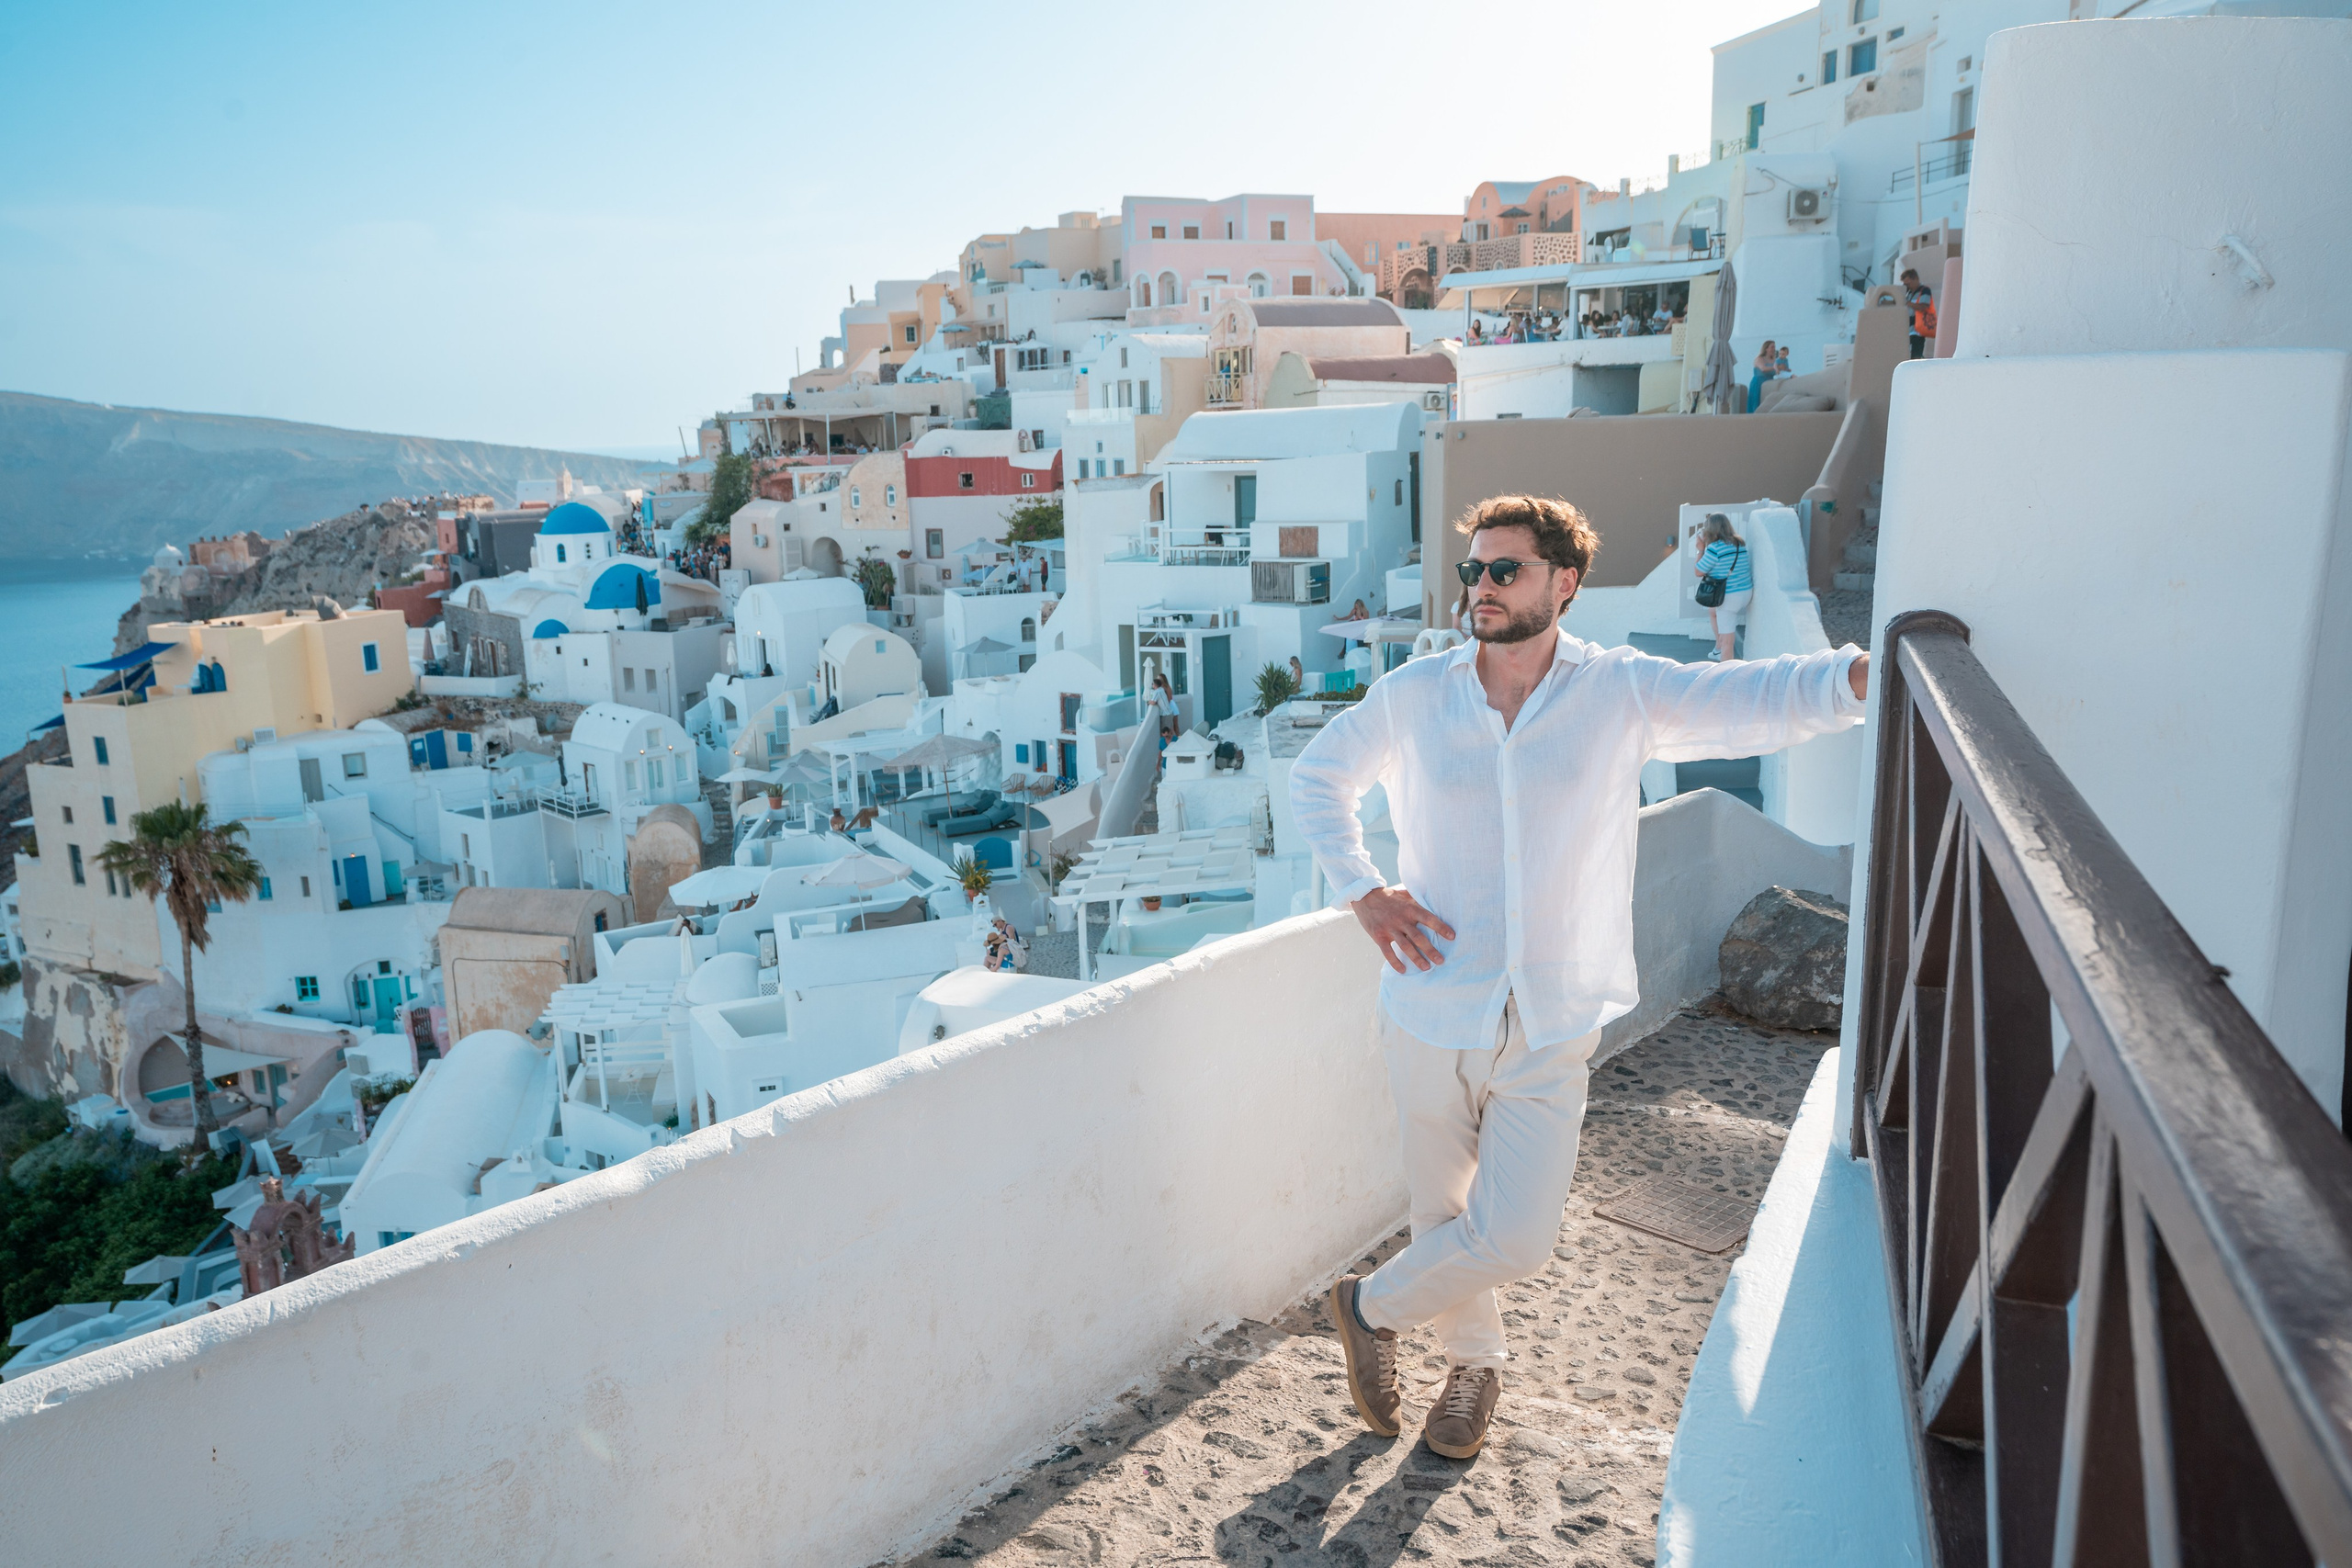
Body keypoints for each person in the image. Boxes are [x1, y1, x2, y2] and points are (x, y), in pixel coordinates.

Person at [1290, 494, 1869, 1461]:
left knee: (1513, 1235)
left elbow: (1748, 700)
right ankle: (1472, 1372)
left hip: (1553, 1014)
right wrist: (1364, 891)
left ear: (1563, 582)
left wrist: (1854, 676)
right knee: (1442, 1216)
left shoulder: (1618, 691)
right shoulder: (1417, 693)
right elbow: (1318, 779)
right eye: (1473, 570)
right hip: (1432, 1004)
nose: (1480, 587)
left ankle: (1368, 1306)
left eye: (1504, 570)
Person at [1692, 512, 1753, 661]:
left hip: (1729, 597)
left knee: (1728, 641)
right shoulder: (1739, 543)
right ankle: (1719, 647)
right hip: (1746, 593)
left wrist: (1701, 549)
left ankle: (1725, 673)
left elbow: (1698, 571)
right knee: (1712, 610)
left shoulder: (1715, 549)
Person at [1902, 268, 1938, 359]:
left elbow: (1923, 307)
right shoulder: (1908, 293)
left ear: (1915, 279)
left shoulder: (1924, 290)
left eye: (1908, 284)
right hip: (1908, 331)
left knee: (1915, 356)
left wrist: (1907, 303)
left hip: (1917, 331)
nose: (1907, 286)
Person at [1748, 341, 1778, 412]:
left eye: (1774, 347)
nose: (1774, 349)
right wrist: (1776, 368)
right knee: (1757, 402)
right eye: (1772, 347)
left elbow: (1779, 372)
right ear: (1766, 349)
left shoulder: (1774, 360)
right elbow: (1763, 369)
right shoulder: (1759, 359)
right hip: (1759, 383)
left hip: (1770, 383)